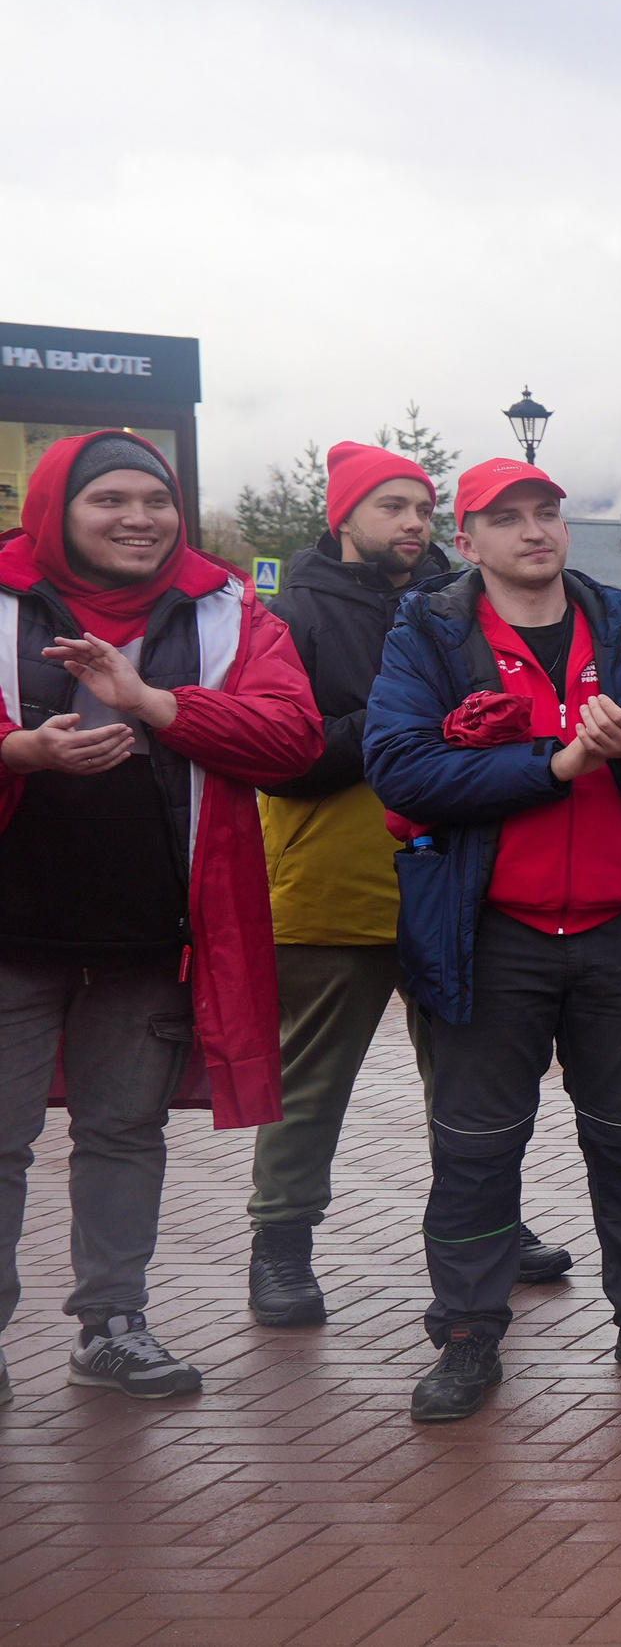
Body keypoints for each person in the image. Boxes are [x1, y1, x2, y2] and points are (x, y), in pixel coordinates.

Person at [366, 457, 621, 1422]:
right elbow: (402, 770)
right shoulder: (429, 634)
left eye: (548, 514)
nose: (534, 532)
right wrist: (561, 761)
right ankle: (465, 1333)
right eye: (509, 519)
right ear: (471, 537)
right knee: (477, 1147)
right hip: (488, 935)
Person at [0, 431, 322, 1400]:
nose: (138, 517)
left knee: (124, 1133)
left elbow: (291, 737)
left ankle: (112, 1323)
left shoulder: (225, 605)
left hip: (154, 941)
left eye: (156, 498)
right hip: (11, 938)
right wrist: (20, 755)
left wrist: (153, 702)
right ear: (59, 507)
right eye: (110, 500)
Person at [247, 442, 571, 1328]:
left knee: (471, 1082)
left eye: (425, 509)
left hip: (454, 876)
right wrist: (404, 732)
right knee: (312, 1079)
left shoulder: (455, 603)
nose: (413, 524)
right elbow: (285, 756)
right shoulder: (291, 613)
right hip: (332, 878)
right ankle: (280, 1242)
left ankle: (485, 1228)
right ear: (342, 516)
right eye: (392, 507)